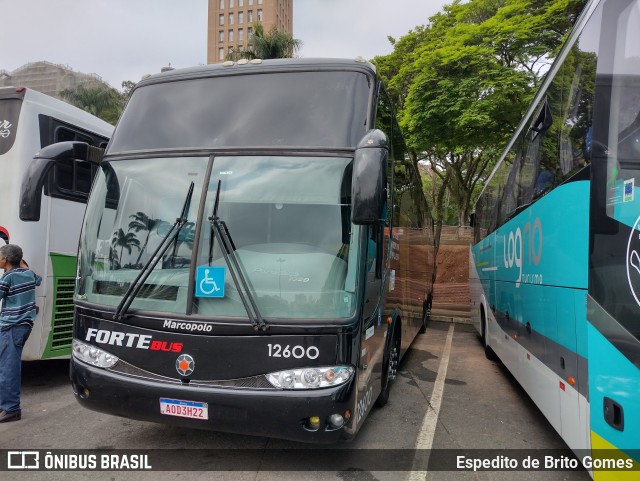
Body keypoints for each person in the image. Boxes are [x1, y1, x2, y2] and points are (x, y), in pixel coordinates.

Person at [0, 244, 41, 423]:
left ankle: (12, 408)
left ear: (5, 260)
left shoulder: (8, 278)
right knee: (6, 366)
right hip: (24, 326)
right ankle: (5, 404)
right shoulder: (29, 274)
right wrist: (25, 266)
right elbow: (38, 279)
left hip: (11, 327)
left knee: (8, 368)